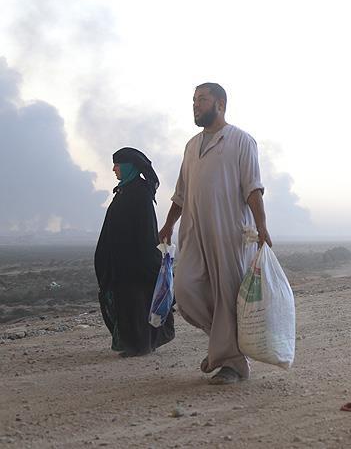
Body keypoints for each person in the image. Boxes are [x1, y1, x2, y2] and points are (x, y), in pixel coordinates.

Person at [159, 83, 270, 385]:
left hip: (230, 234)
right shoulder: (191, 145)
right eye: (193, 100)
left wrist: (262, 226)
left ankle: (231, 362)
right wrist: (169, 224)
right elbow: (181, 193)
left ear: (219, 103)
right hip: (193, 234)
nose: (195, 105)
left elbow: (253, 188)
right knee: (185, 292)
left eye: (202, 100)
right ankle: (225, 345)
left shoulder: (240, 141)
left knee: (226, 296)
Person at [95, 147, 174, 357]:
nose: (114, 169)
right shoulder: (125, 190)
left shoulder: (139, 193)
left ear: (129, 166)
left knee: (137, 304)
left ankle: (140, 345)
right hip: (123, 262)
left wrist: (146, 259)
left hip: (136, 262)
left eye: (117, 165)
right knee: (128, 304)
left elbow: (145, 230)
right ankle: (133, 344)